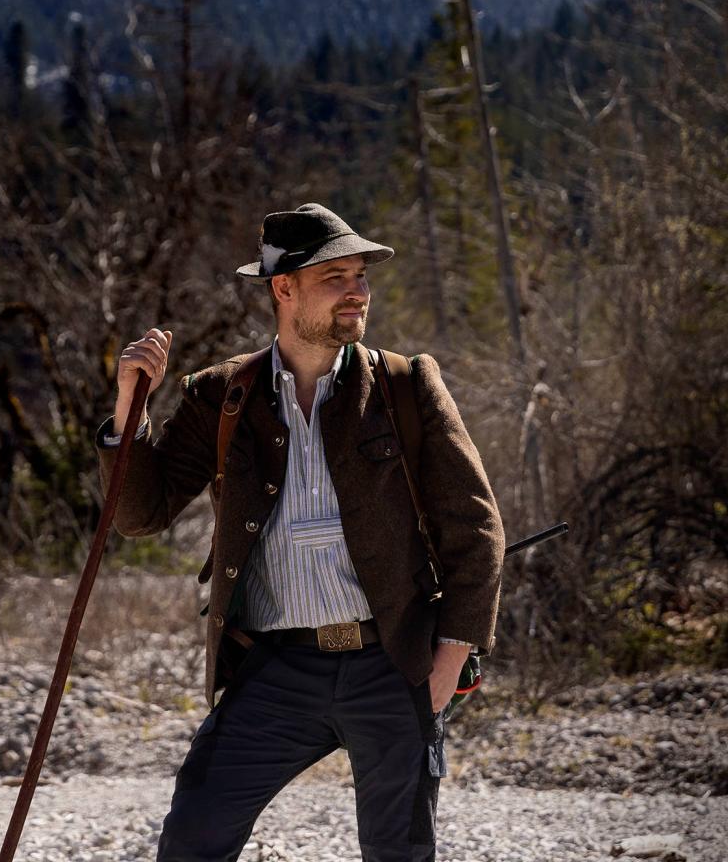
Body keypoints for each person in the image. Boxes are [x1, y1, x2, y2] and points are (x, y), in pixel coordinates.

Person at [96, 202, 504, 862]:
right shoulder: (221, 395)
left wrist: (451, 657)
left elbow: (476, 525)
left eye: (361, 276)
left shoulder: (405, 385)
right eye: (334, 277)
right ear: (283, 288)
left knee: (399, 853)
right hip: (276, 670)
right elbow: (140, 514)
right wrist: (129, 407)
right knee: (193, 839)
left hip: (391, 663)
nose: (357, 291)